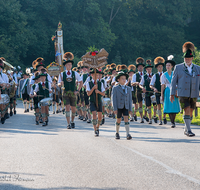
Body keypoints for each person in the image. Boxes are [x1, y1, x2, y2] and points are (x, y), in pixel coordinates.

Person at [170, 42, 200, 137]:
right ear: (184, 58)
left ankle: (186, 128)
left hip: (194, 93)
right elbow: (173, 81)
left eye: (189, 58)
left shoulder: (198, 68)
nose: (187, 60)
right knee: (186, 109)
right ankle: (189, 130)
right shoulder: (178, 67)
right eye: (185, 58)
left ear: (192, 58)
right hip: (182, 93)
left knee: (191, 111)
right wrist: (172, 93)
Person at [58, 52, 83, 129]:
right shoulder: (62, 74)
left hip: (73, 93)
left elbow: (81, 82)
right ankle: (68, 123)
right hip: (65, 93)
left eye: (70, 65)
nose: (69, 66)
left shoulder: (75, 73)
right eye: (68, 65)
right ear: (65, 66)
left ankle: (72, 121)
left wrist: (78, 90)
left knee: (73, 109)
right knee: (67, 108)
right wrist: (60, 83)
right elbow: (58, 83)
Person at [112, 71, 132, 140]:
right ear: (118, 80)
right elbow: (113, 99)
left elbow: (130, 99)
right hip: (119, 106)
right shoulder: (115, 88)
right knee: (119, 120)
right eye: (122, 78)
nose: (124, 80)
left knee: (126, 119)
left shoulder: (128, 88)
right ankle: (117, 132)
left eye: (125, 78)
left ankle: (128, 133)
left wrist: (130, 109)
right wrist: (114, 108)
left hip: (126, 106)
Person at [161, 55, 180, 128]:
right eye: (166, 65)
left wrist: (177, 90)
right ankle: (172, 122)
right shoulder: (163, 75)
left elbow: (178, 83)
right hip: (167, 91)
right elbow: (162, 85)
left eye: (169, 65)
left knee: (174, 107)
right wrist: (162, 95)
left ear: (172, 66)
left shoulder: (175, 73)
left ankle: (173, 121)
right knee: (169, 107)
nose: (167, 67)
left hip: (174, 91)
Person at [86, 69, 105, 136]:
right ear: (92, 75)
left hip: (99, 101)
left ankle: (97, 127)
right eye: (95, 75)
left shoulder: (101, 83)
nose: (97, 76)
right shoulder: (89, 83)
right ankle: (95, 130)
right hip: (92, 101)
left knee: (100, 117)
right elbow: (88, 94)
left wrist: (99, 92)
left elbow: (103, 94)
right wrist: (93, 88)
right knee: (94, 115)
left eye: (97, 75)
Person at [150, 57, 167, 125]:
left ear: (163, 67)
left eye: (161, 66)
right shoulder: (155, 75)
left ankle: (164, 117)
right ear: (157, 68)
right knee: (159, 106)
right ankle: (160, 120)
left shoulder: (165, 74)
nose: (160, 68)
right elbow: (150, 85)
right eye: (159, 67)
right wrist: (154, 88)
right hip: (157, 93)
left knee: (164, 106)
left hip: (165, 92)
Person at [131, 57, 146, 123]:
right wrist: (136, 83)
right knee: (139, 104)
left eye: (141, 66)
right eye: (139, 67)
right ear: (137, 68)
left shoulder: (145, 74)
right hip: (138, 91)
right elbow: (132, 83)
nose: (140, 68)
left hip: (145, 90)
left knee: (146, 104)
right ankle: (141, 118)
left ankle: (146, 115)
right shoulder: (135, 75)